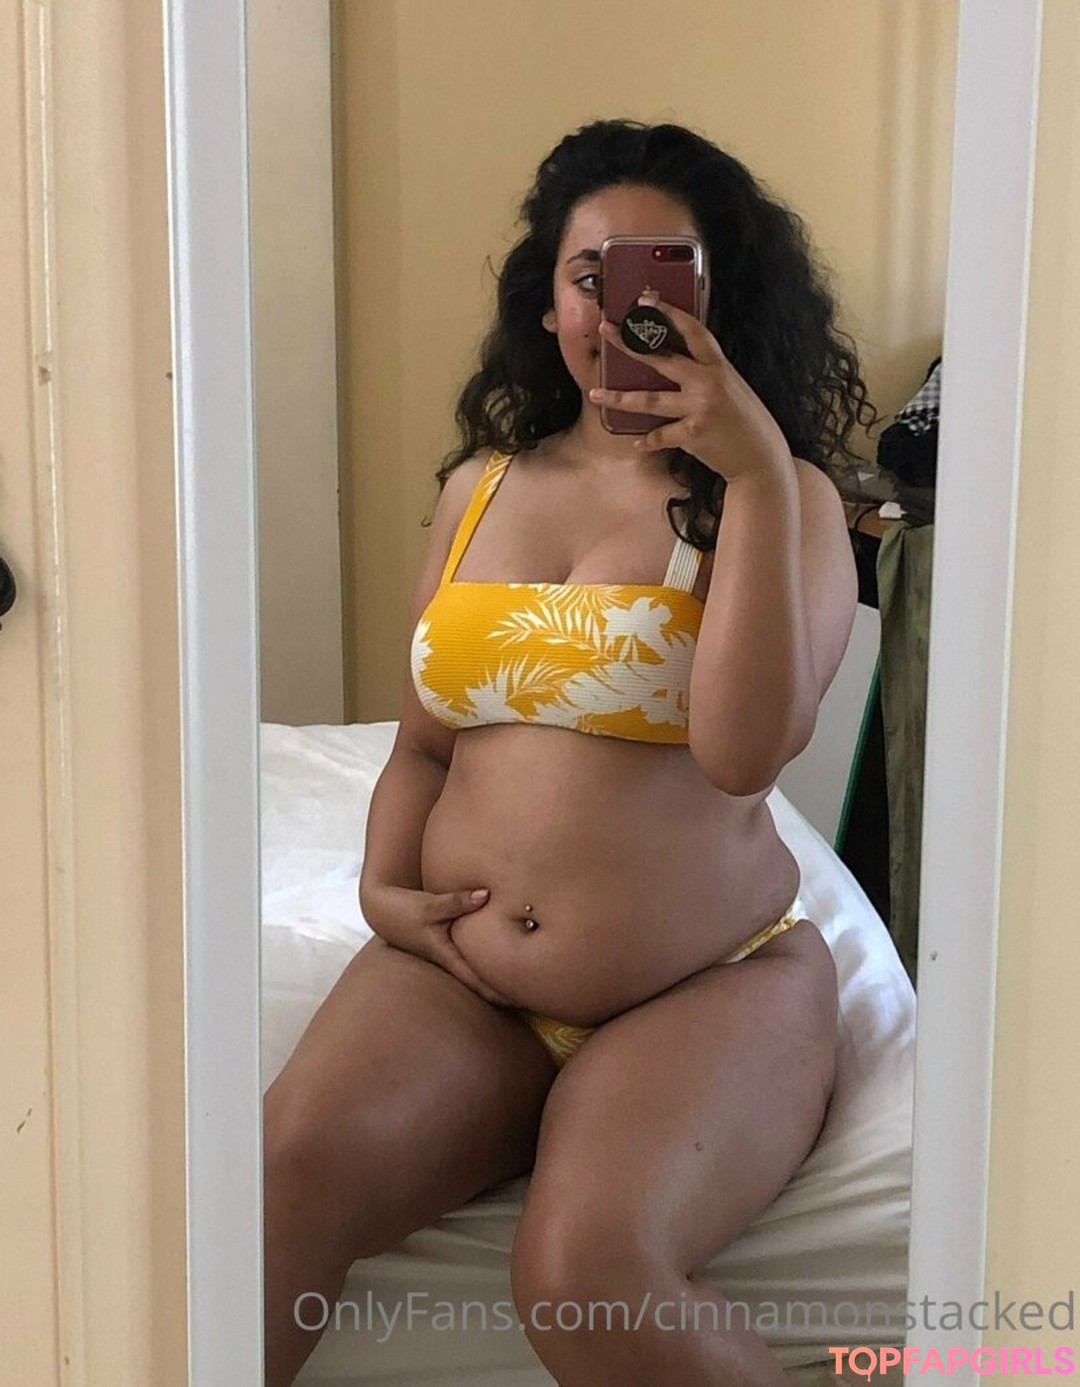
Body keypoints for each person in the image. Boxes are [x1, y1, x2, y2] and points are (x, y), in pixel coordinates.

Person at [264, 118, 878, 1387]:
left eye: (659, 276)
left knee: (586, 1277)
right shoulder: (480, 490)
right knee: (269, 1184)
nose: (617, 311)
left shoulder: (788, 498)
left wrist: (756, 473)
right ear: (546, 304)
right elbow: (424, 743)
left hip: (706, 982)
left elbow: (745, 754)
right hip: (470, 980)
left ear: (715, 301)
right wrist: (383, 885)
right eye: (588, 276)